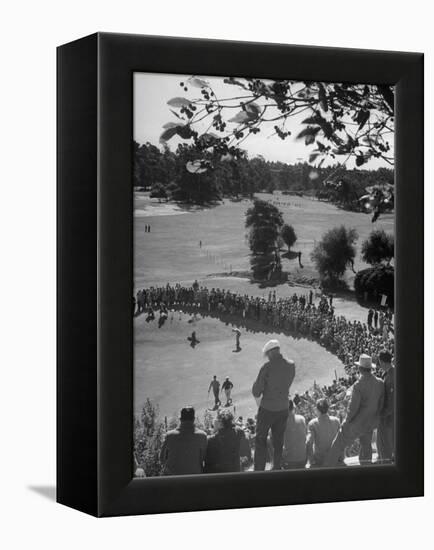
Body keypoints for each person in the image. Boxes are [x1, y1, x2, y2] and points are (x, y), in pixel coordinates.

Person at [324, 354, 384, 467]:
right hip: (370, 423)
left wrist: (346, 422)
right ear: (370, 368)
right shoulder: (380, 382)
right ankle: (365, 470)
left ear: (360, 369)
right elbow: (380, 404)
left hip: (356, 424)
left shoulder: (358, 385)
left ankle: (326, 469)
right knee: (366, 447)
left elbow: (353, 408)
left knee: (338, 444)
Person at [252, 339, 295, 470]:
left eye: (267, 354)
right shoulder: (291, 364)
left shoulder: (267, 367)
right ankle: (276, 468)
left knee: (260, 439)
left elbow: (256, 392)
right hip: (283, 408)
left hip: (267, 409)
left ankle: (259, 470)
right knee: (278, 440)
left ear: (270, 353)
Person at [160, 407, 207, 475]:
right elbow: (203, 458)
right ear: (194, 419)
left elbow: (162, 458)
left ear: (180, 419)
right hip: (194, 478)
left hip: (173, 478)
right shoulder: (202, 436)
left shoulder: (170, 436)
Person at [307, 398, 340, 468]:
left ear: (317, 409)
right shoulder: (336, 421)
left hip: (320, 461)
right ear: (328, 408)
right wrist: (341, 457)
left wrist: (311, 461)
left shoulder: (312, 423)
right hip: (335, 459)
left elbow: (309, 443)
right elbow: (342, 440)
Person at [377, 350, 395, 464]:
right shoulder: (388, 373)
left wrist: (381, 415)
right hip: (387, 417)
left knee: (386, 447)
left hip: (389, 418)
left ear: (382, 362)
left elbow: (392, 403)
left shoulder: (392, 377)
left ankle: (386, 466)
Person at [282, 400, 307, 470]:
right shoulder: (302, 419)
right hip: (303, 458)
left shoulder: (280, 422)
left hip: (289, 460)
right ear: (293, 408)